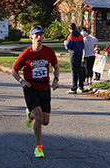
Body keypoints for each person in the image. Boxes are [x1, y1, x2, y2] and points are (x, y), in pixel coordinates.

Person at [11, 26, 60, 158]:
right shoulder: (25, 54)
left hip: (45, 88)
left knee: (45, 121)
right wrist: (22, 81)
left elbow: (56, 67)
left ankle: (30, 115)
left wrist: (56, 79)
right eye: (36, 35)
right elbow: (14, 71)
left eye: (41, 35)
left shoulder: (49, 52)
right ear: (31, 37)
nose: (39, 38)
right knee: (38, 113)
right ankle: (38, 147)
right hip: (31, 88)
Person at [64, 23, 85, 94]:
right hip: (80, 53)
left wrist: (65, 43)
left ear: (70, 29)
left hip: (73, 54)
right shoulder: (80, 35)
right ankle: (81, 86)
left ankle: (74, 87)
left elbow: (68, 46)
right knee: (79, 70)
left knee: (74, 71)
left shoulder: (71, 36)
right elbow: (82, 45)